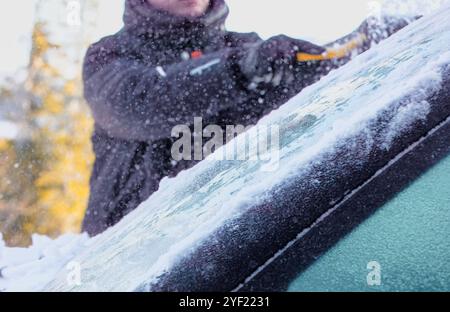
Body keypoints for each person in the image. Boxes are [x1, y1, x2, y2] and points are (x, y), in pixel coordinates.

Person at [82, 0, 415, 236]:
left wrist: (366, 44)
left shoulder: (248, 49)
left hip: (229, 253)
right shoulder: (108, 56)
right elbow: (143, 104)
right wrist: (239, 69)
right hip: (126, 262)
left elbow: (317, 89)